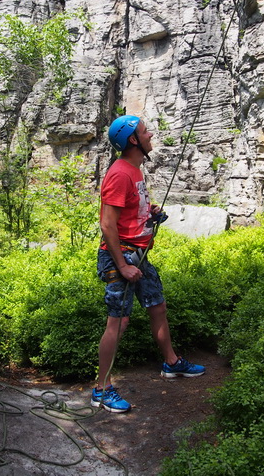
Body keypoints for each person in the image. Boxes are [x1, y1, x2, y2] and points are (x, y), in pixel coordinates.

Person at [91, 115, 205, 413]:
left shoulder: (135, 171)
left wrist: (148, 211)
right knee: (119, 320)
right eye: (144, 131)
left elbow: (128, 211)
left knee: (157, 306)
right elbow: (107, 225)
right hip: (122, 256)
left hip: (138, 252)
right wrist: (123, 265)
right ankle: (101, 389)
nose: (150, 134)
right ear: (133, 140)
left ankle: (171, 363)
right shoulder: (120, 174)